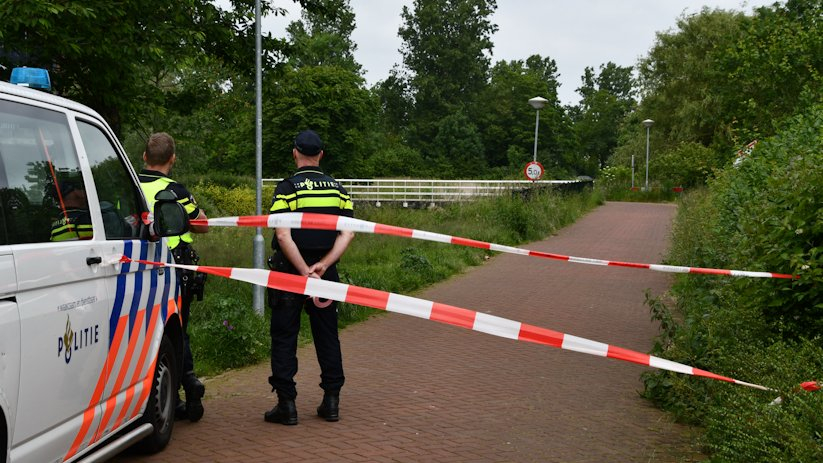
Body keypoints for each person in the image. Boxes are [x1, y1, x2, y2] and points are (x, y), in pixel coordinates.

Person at [265, 130, 355, 425]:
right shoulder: (338, 190)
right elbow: (348, 233)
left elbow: (282, 233)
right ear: (321, 155)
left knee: (284, 336)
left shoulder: (288, 188)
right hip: (326, 274)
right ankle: (331, 401)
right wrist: (323, 266)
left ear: (295, 153)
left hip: (290, 272)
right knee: (327, 335)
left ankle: (286, 404)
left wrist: (304, 271)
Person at [139, 132, 209, 422]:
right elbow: (202, 225)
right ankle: (187, 386)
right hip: (173, 266)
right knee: (176, 328)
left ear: (144, 157)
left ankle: (163, 393)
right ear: (173, 159)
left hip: (139, 264)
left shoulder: (129, 182)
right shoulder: (175, 190)